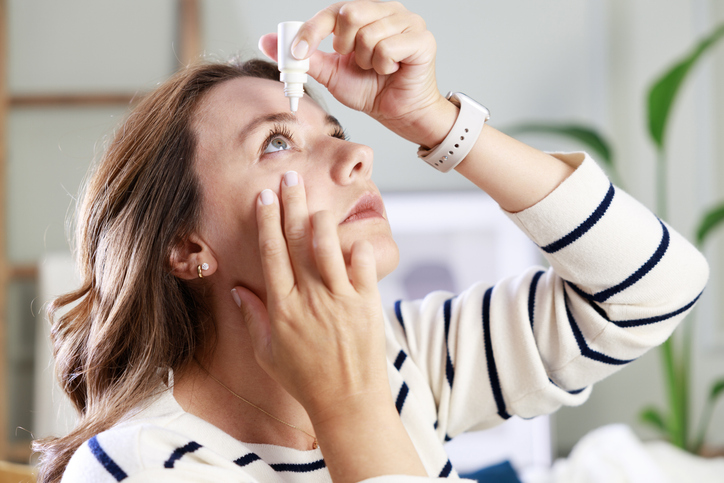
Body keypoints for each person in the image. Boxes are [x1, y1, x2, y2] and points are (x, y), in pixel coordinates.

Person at [33, 1, 708, 482]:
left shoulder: (402, 358)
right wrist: (350, 407)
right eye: (276, 142)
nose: (358, 152)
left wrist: (437, 122)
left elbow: (653, 289)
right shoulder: (144, 466)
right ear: (186, 245)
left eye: (334, 130)